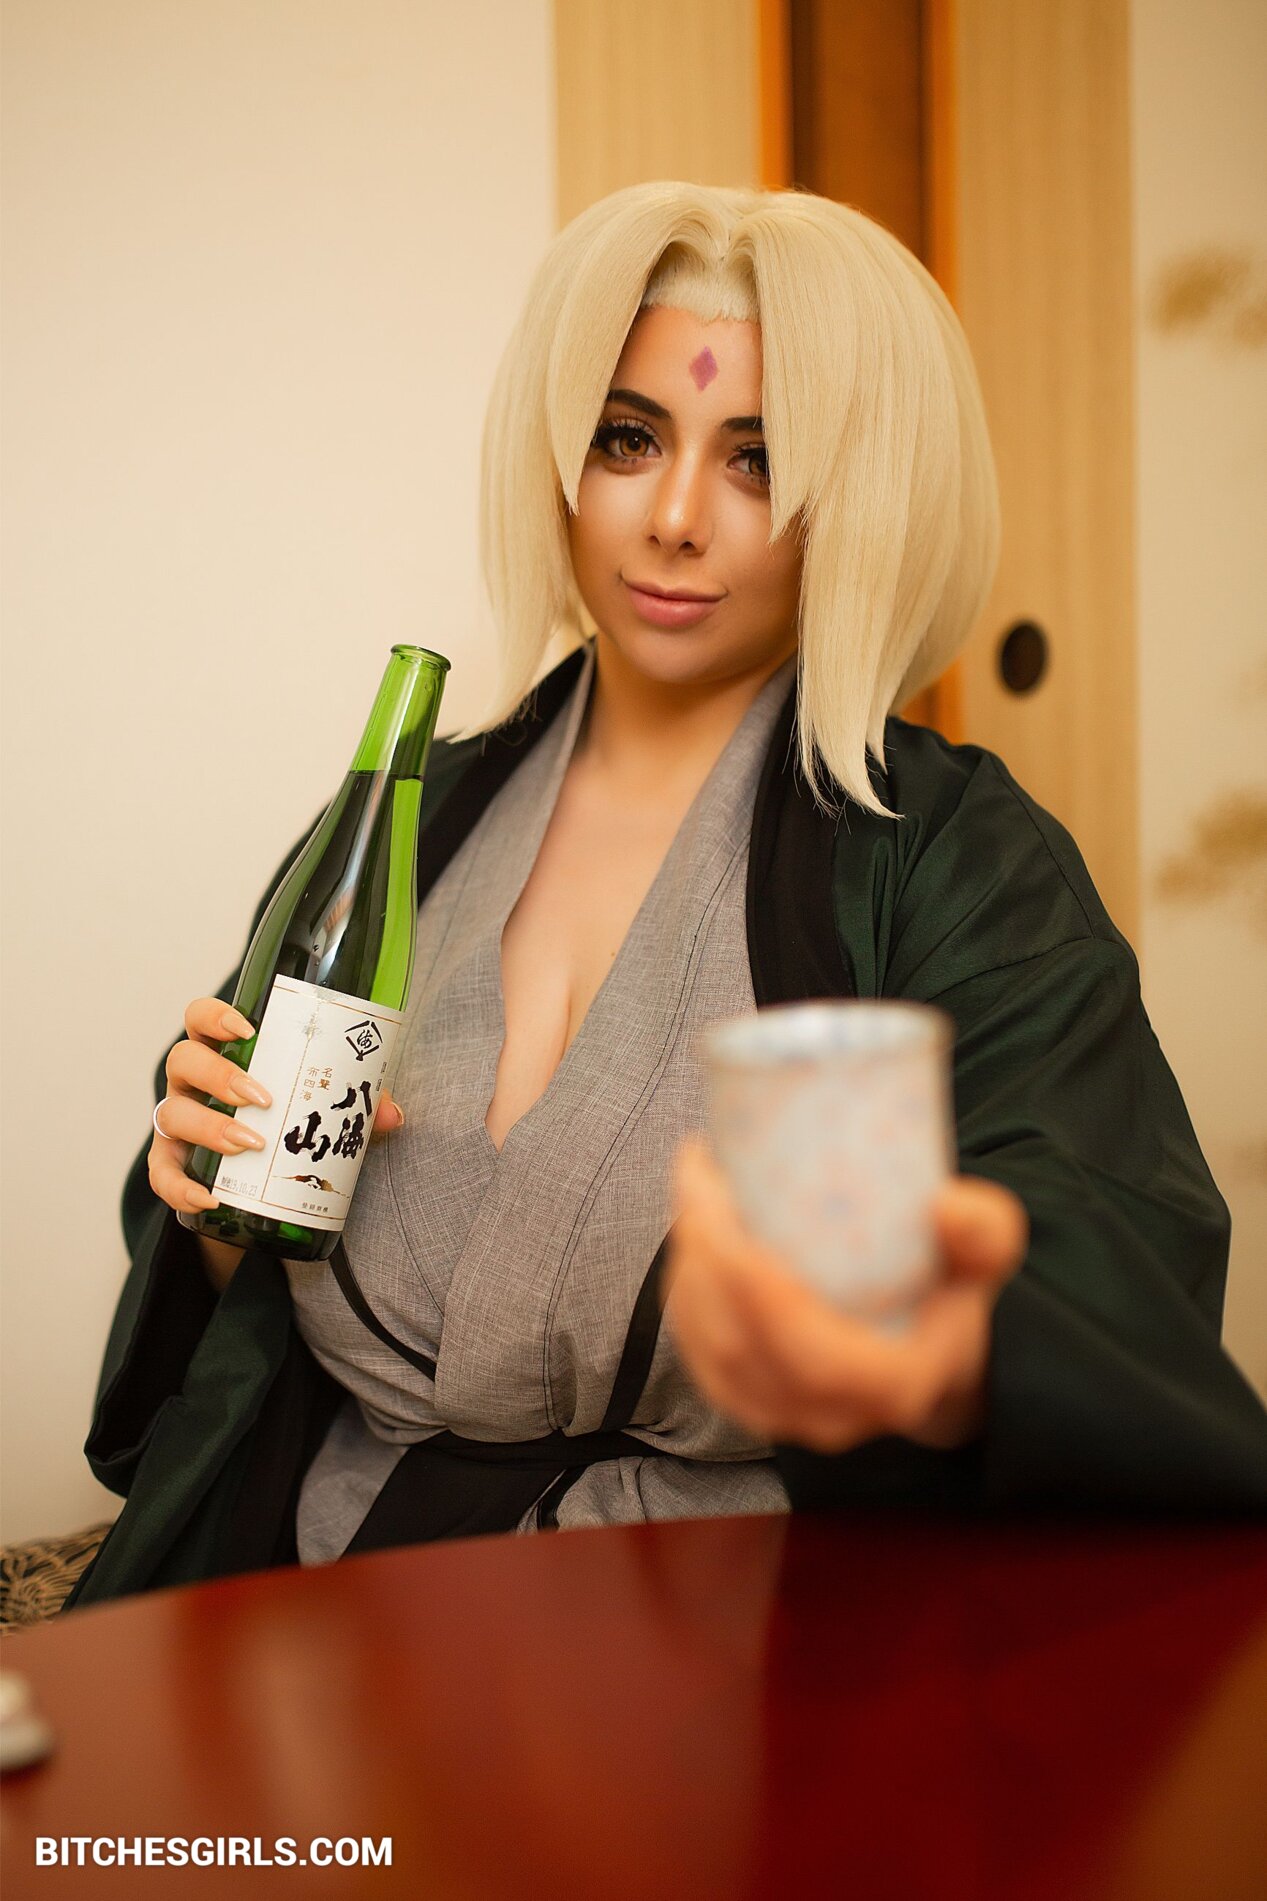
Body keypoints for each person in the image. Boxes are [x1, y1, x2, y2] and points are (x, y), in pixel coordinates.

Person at [67, 183, 1267, 1608]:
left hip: (761, 1650)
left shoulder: (955, 857)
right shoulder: (409, 819)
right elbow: (230, 1300)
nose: (679, 519)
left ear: (860, 501)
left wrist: (955, 1342)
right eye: (628, 439)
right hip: (340, 1619)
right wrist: (213, 1210)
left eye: (760, 460)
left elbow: (1102, 1246)